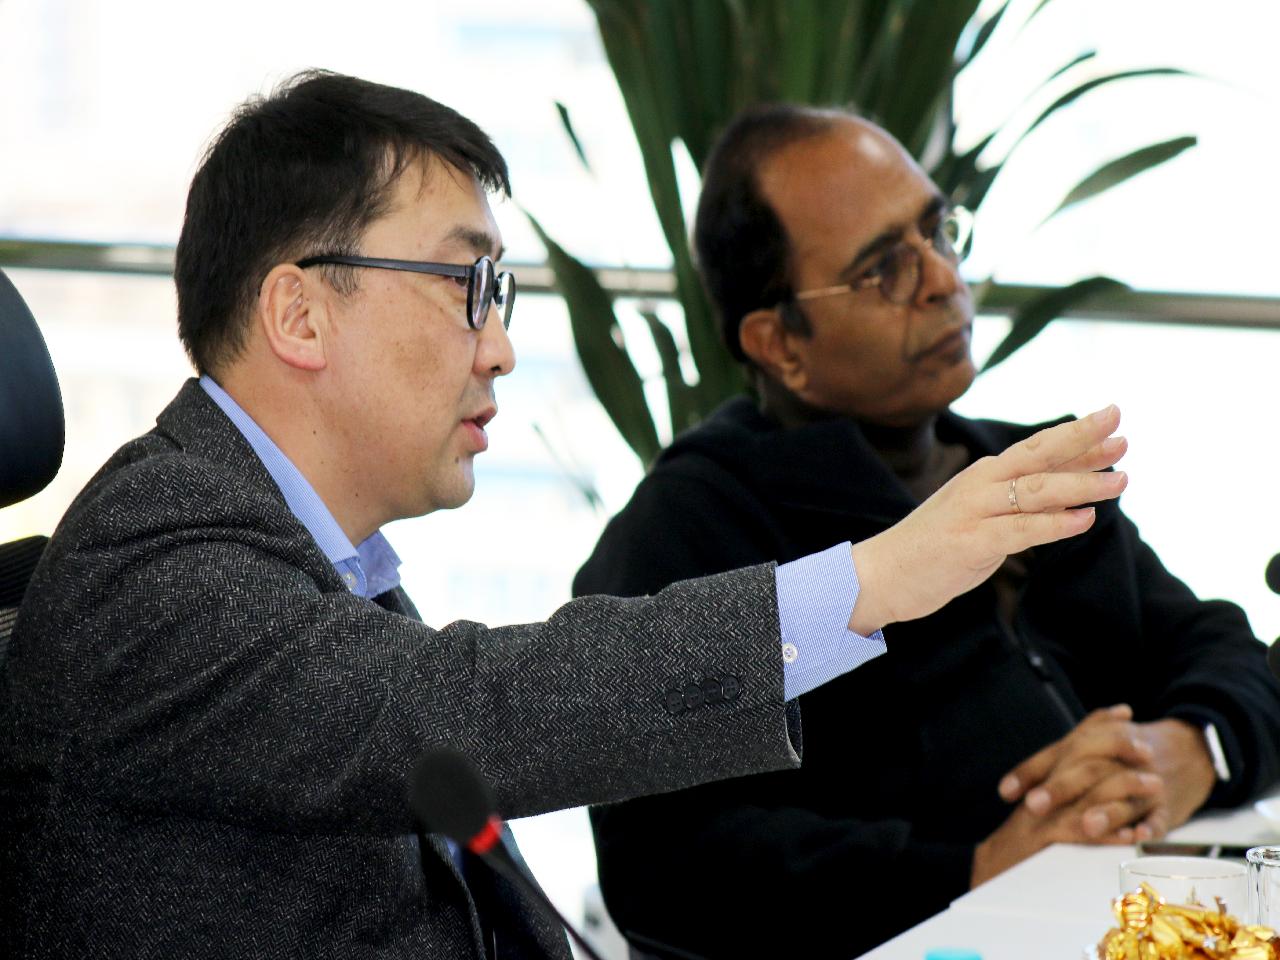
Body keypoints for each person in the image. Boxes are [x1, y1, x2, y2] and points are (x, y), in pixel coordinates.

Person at [0, 76, 1126, 960]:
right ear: (298, 313)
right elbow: (472, 709)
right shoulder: (157, 564)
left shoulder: (307, 557)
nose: (498, 347)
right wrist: (873, 581)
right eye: (467, 286)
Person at [575, 103, 1280, 959]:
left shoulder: (1024, 468)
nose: (945, 279)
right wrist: (974, 869)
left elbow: (1224, 650)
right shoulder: (692, 525)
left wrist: (1186, 749)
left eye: (938, 233)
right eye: (885, 270)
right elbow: (665, 866)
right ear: (780, 344)